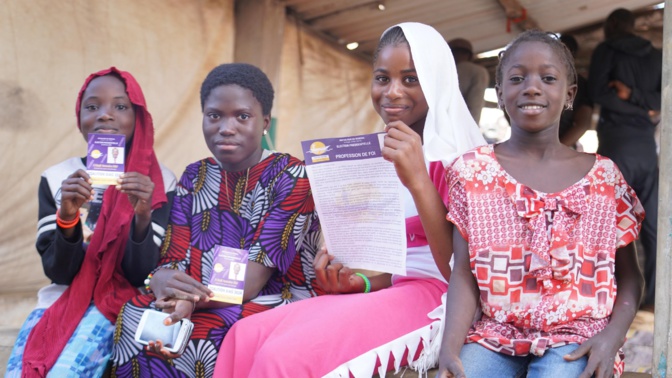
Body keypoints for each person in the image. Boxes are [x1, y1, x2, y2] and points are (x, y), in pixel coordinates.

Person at [214, 22, 485, 377]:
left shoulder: (465, 162)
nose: (392, 92)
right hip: (393, 291)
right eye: (382, 78)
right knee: (244, 336)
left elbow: (458, 271)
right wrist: (362, 281)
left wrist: (418, 178)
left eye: (410, 79)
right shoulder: (377, 152)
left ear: (437, 82)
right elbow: (399, 266)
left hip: (441, 301)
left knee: (283, 358)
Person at [438, 30, 644, 378]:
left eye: (548, 78)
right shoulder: (472, 173)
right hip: (495, 336)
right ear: (500, 93)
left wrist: (612, 337)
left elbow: (631, 278)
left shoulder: (604, 179)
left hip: (578, 337)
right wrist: (450, 349)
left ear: (570, 94)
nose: (531, 87)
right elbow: (463, 273)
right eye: (517, 78)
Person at [109, 63, 321, 377]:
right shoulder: (195, 175)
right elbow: (173, 256)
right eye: (214, 115)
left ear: (264, 123)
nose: (226, 127)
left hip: (272, 296)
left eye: (242, 116)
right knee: (135, 312)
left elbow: (253, 280)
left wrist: (188, 300)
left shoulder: (292, 175)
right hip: (198, 293)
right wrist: (160, 282)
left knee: (209, 330)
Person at [7, 67, 177, 377]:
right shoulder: (58, 177)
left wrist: (142, 214)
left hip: (120, 301)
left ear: (138, 117)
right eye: (92, 106)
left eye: (121, 106)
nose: (105, 115)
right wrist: (68, 217)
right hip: (59, 301)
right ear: (79, 116)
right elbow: (58, 272)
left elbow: (141, 273)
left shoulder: (159, 181)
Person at [588, 8, 661, 311]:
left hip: (617, 144)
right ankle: (653, 298)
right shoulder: (657, 56)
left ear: (614, 24)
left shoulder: (606, 50)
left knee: (607, 224)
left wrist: (627, 98)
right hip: (646, 146)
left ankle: (606, 298)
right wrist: (643, 109)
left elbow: (595, 92)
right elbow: (659, 101)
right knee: (653, 228)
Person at [558, 34, 594, 149]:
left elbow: (582, 124)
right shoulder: (539, 78)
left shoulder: (580, 84)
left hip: (561, 147)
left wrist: (556, 151)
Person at [449, 38, 489, 124]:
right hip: (463, 126)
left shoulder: (444, 71)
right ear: (469, 55)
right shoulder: (479, 71)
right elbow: (475, 103)